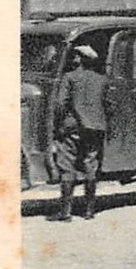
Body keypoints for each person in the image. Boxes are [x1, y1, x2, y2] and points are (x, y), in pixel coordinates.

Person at [50, 43, 108, 222]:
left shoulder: (70, 77)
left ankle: (65, 213)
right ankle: (89, 211)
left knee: (67, 166)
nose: (73, 59)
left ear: (81, 59)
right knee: (91, 166)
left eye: (76, 56)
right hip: (96, 128)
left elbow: (60, 104)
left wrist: (58, 124)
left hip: (72, 128)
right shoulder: (102, 79)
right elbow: (109, 105)